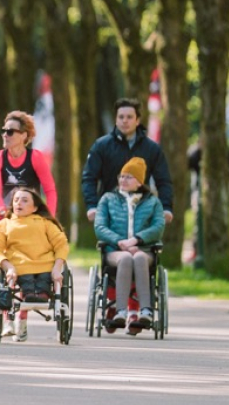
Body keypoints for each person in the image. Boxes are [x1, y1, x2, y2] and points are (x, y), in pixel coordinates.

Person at [0, 185, 69, 342]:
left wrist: (58, 268)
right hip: (19, 267)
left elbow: (61, 244)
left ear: (35, 207)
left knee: (42, 285)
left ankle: (38, 297)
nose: (19, 203)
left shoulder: (45, 223)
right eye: (16, 200)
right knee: (26, 287)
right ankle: (17, 317)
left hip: (46, 265)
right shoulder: (4, 225)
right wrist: (7, 266)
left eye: (25, 200)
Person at [95, 157, 166, 335]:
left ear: (140, 181)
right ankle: (121, 311)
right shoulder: (108, 199)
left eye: (129, 177)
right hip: (115, 251)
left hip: (143, 250)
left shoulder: (152, 202)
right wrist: (121, 242)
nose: (122, 180)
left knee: (139, 257)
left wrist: (136, 241)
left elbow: (158, 227)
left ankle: (145, 311)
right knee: (126, 257)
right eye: (121, 176)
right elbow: (100, 226)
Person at [81, 98, 174, 225]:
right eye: (121, 117)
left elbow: (163, 180)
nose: (125, 120)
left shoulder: (152, 149)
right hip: (109, 213)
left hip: (142, 212)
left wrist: (166, 207)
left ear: (137, 121)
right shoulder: (101, 146)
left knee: (139, 244)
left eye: (129, 117)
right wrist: (92, 206)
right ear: (116, 120)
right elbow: (89, 178)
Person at [0, 111, 58, 217]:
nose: (5, 135)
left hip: (32, 216)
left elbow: (50, 190)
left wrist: (49, 216)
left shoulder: (35, 157)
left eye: (10, 132)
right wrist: (1, 211)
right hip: (7, 216)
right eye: (3, 131)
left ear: (23, 135)